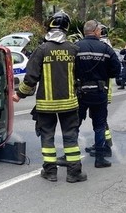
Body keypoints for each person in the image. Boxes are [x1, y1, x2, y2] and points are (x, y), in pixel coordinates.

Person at [12, 11, 86, 183]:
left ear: (50, 26)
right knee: (70, 138)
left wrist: (19, 95)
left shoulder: (41, 50)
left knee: (47, 137)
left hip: (46, 106)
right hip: (69, 104)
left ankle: (50, 172)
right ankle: (74, 173)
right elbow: (80, 77)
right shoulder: (74, 49)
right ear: (66, 28)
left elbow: (30, 78)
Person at [74, 19, 122, 168]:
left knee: (75, 124)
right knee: (100, 125)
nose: (101, 32)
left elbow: (69, 69)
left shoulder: (76, 47)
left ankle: (72, 157)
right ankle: (100, 159)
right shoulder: (106, 49)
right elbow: (116, 70)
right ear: (95, 31)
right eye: (99, 30)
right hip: (99, 92)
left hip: (80, 93)